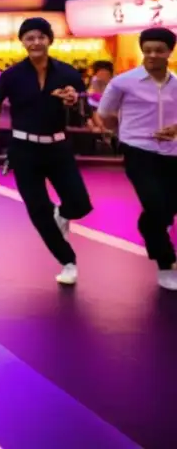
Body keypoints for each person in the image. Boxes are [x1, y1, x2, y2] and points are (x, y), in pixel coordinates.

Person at [0, 17, 92, 285]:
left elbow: (83, 109)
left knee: (80, 204)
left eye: (41, 37)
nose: (35, 42)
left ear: (49, 40)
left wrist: (73, 102)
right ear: (23, 42)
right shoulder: (11, 76)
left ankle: (62, 214)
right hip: (24, 150)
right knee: (38, 210)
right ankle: (67, 261)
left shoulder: (68, 73)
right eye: (30, 37)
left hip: (58, 147)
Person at [95, 27, 177, 291]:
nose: (152, 55)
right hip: (137, 149)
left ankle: (147, 225)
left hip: (173, 152)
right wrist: (123, 132)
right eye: (148, 49)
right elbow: (106, 113)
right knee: (155, 203)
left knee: (168, 207)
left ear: (169, 52)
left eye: (159, 50)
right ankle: (165, 262)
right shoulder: (122, 82)